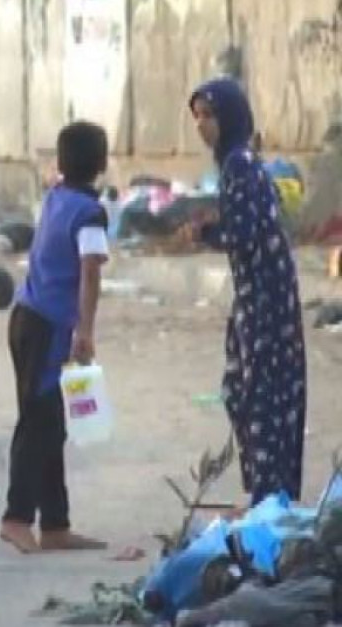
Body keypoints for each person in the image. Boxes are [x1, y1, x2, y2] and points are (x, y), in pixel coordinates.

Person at [178, 78, 306, 507]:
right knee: (242, 386)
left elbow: (244, 233)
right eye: (197, 116)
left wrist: (205, 232)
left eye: (209, 115)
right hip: (256, 291)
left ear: (229, 117)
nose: (201, 125)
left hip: (266, 294)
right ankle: (266, 489)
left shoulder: (239, 164)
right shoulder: (236, 162)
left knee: (261, 394)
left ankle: (269, 494)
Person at [0, 121, 111, 555]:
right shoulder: (89, 214)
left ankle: (55, 524)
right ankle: (16, 517)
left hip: (26, 319)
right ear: (101, 164)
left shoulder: (56, 198)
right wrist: (86, 330)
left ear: (61, 163)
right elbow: (90, 272)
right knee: (39, 423)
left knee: (49, 423)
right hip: (47, 326)